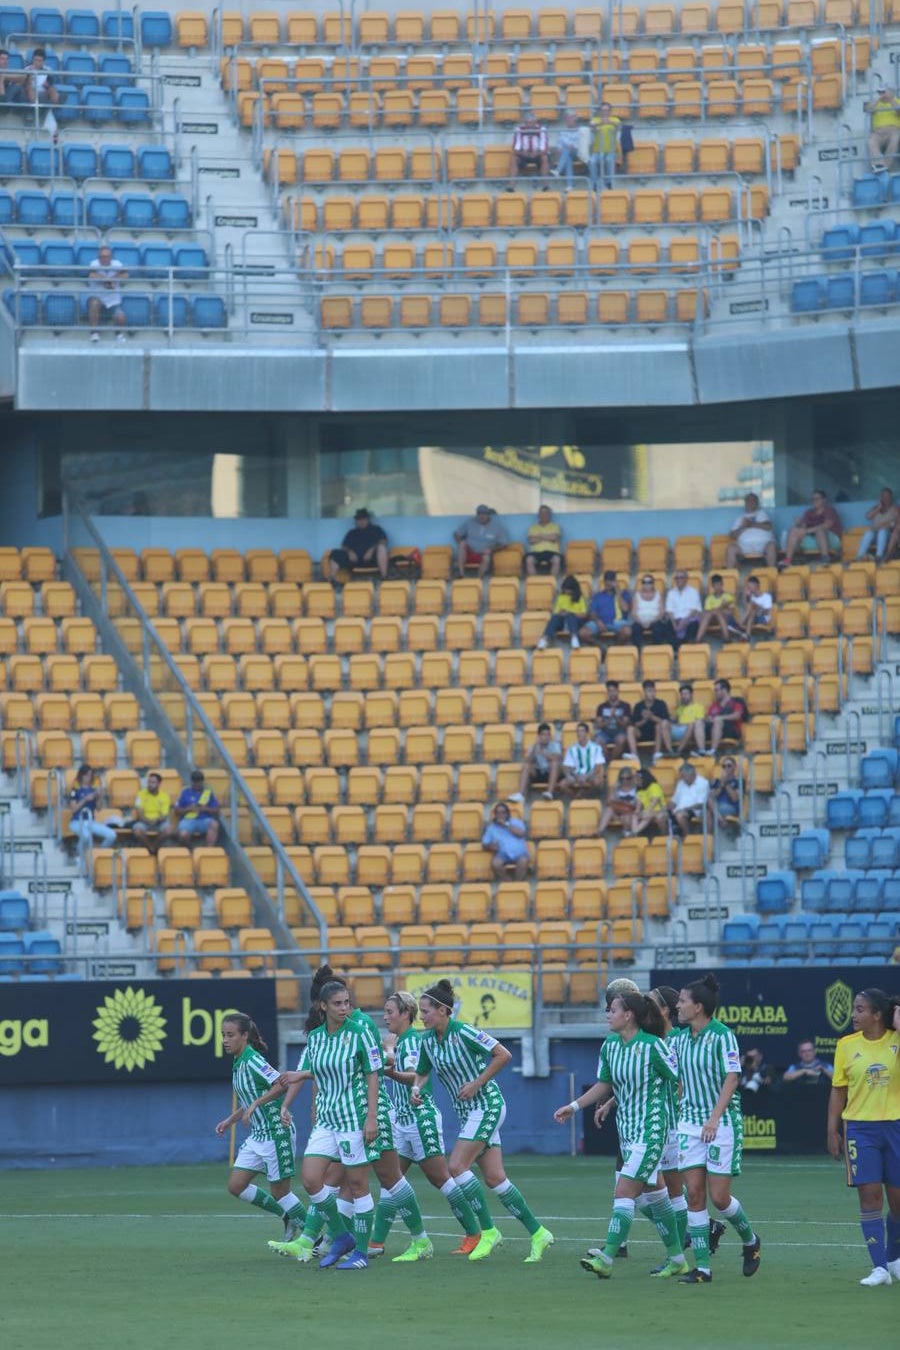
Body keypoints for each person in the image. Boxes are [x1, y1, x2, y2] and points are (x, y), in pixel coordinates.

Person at [413, 977, 554, 1263]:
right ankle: (539, 1233)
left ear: (443, 1010)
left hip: (487, 1105)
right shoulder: (427, 1041)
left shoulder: (465, 1031)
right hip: (468, 1113)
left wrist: (477, 1083)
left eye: (426, 1011)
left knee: (456, 1165)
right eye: (420, 1012)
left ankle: (488, 1231)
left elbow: (502, 1054)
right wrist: (416, 1088)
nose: (422, 1016)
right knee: (495, 1178)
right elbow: (423, 1072)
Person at [556, 991, 688, 1280]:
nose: (607, 1014)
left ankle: (608, 1256)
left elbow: (679, 1081)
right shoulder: (610, 1046)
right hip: (627, 1131)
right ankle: (678, 1258)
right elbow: (605, 1083)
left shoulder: (654, 1046)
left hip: (652, 1130)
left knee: (624, 1192)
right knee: (656, 1196)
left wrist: (678, 1114)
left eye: (612, 1009)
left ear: (629, 1015)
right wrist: (574, 1106)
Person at [260, 978, 383, 1270]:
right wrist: (298, 1075)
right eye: (338, 1004)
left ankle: (361, 1254)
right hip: (328, 1119)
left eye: (347, 1002)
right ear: (323, 1006)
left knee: (357, 1184)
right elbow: (315, 1069)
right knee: (311, 1178)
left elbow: (373, 1074)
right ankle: (341, 1235)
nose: (344, 1008)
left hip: (354, 1117)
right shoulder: (315, 1037)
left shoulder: (360, 1032)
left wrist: (372, 1117)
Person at [370, 991, 483, 1258]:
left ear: (406, 1014)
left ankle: (475, 1233)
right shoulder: (399, 1042)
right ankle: (376, 1243)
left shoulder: (411, 1042)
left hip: (421, 1119)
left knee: (441, 1178)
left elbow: (414, 1077)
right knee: (391, 1180)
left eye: (391, 1012)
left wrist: (388, 1060)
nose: (386, 1017)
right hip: (402, 1121)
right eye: (384, 1012)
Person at [674, 973, 761, 1283]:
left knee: (720, 1198)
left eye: (683, 1001)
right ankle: (702, 1268)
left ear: (698, 1007)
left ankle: (751, 1241)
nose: (678, 1006)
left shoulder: (723, 1035)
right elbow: (674, 1075)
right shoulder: (678, 1038)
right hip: (688, 1126)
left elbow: (732, 1077)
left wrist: (713, 1118)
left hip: (719, 1124)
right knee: (694, 1196)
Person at [827, 990, 900, 1286]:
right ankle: (879, 1267)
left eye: (860, 1010)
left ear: (878, 1015)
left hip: (895, 1127)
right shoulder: (846, 1045)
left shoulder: (896, 1041)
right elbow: (838, 1089)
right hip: (860, 1128)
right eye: (854, 1009)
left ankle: (894, 1259)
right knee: (870, 1196)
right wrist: (832, 1128)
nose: (853, 1015)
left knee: (897, 1202)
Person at [215, 1012, 307, 1243]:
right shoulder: (238, 1061)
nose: (225, 1040)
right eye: (223, 1035)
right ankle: (286, 1217)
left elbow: (281, 1084)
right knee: (236, 1185)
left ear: (244, 1036)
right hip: (259, 1136)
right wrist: (230, 1120)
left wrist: (256, 1104)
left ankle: (313, 1239)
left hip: (276, 1132)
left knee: (280, 1191)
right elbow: (250, 1099)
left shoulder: (253, 1060)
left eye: (230, 1035)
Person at [781, 489, 843, 568]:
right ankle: (788, 560)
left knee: (820, 530)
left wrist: (807, 531)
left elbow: (826, 525)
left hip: (831, 539)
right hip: (813, 539)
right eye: (813, 499)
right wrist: (798, 525)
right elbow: (803, 528)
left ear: (824, 499)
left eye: (817, 499)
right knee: (793, 530)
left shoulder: (830, 510)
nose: (815, 501)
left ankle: (825, 558)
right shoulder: (809, 512)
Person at [68, 764, 123, 850]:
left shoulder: (94, 790)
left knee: (111, 835)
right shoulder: (75, 790)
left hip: (91, 821)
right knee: (86, 836)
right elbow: (73, 809)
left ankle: (99, 852)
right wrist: (85, 799)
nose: (88, 777)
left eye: (90, 775)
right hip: (77, 821)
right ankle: (79, 854)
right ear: (81, 776)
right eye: (86, 775)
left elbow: (98, 808)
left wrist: (100, 796)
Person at [329, 507, 388, 582]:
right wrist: (350, 552)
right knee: (335, 553)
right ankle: (332, 579)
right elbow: (344, 546)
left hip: (371, 560)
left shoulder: (376, 529)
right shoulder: (352, 533)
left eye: (363, 519)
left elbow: (383, 541)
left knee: (382, 548)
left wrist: (371, 550)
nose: (361, 521)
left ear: (368, 519)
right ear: (356, 521)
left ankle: (384, 577)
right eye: (359, 519)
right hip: (354, 560)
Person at [511, 721, 562, 802]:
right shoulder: (534, 746)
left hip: (552, 773)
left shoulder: (555, 745)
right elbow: (527, 760)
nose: (546, 737)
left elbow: (557, 758)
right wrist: (534, 750)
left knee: (554, 763)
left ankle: (549, 793)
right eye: (543, 734)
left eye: (548, 734)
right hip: (540, 772)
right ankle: (521, 794)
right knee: (526, 765)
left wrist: (544, 753)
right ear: (539, 736)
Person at [725, 491, 777, 570]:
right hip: (744, 547)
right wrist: (743, 527)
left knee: (772, 546)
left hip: (764, 545)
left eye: (753, 500)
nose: (750, 502)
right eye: (748, 500)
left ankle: (771, 572)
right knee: (731, 548)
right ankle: (730, 575)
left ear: (757, 503)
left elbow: (768, 526)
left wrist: (751, 524)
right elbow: (732, 535)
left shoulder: (762, 513)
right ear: (745, 503)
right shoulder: (740, 518)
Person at [579, 570, 633, 645]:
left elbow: (625, 609)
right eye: (607, 581)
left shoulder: (624, 593)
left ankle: (614, 648)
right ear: (604, 582)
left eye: (611, 581)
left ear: (615, 581)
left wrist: (618, 592)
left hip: (617, 622)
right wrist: (598, 621)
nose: (609, 583)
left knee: (627, 631)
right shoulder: (598, 596)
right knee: (583, 633)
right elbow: (592, 613)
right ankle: (601, 648)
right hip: (600, 622)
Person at [87, 244, 128, 343]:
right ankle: (94, 333)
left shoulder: (117, 264)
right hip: (97, 298)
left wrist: (113, 279)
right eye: (102, 257)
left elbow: (126, 274)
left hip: (113, 301)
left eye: (107, 256)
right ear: (99, 257)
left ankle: (119, 334)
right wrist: (105, 280)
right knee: (94, 303)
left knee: (121, 316)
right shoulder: (94, 264)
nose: (104, 259)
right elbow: (92, 274)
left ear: (111, 257)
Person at [454, 504, 508, 578]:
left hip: (484, 553)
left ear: (488, 514)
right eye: (479, 514)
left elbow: (504, 544)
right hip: (469, 551)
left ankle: (479, 579)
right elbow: (457, 534)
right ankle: (461, 574)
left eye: (484, 514)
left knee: (486, 557)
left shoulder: (497, 527)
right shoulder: (470, 522)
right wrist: (461, 543)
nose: (482, 516)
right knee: (462, 544)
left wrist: (491, 550)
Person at [626, 679, 673, 761]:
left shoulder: (661, 704)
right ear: (644, 692)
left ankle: (657, 753)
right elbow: (634, 724)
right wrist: (644, 719)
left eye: (653, 691)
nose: (652, 693)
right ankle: (634, 755)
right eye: (649, 691)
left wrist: (652, 717)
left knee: (658, 726)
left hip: (656, 733)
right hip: (641, 733)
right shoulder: (638, 706)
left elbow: (666, 722)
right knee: (630, 729)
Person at [481, 801, 530, 880]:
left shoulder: (516, 822)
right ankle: (508, 883)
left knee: (523, 861)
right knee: (495, 863)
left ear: (507, 813)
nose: (500, 815)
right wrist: (490, 846)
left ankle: (518, 884)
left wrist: (505, 824)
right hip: (502, 854)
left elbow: (521, 833)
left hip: (520, 853)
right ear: (495, 815)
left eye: (503, 812)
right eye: (498, 813)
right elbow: (484, 844)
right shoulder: (491, 828)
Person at [536, 574, 586, 650]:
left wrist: (570, 612)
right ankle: (544, 639)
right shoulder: (561, 597)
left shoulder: (580, 599)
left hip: (575, 622)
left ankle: (574, 637)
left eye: (568, 589)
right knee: (555, 617)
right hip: (562, 621)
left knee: (571, 616)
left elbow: (583, 615)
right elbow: (556, 612)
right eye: (565, 589)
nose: (566, 591)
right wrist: (562, 613)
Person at [172, 768, 220, 846]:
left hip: (203, 820)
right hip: (188, 820)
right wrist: (188, 809)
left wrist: (205, 809)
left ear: (202, 781)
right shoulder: (185, 792)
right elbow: (176, 811)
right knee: (184, 834)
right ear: (192, 781)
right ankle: (186, 850)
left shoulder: (208, 793)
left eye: (199, 781)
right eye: (195, 781)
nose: (197, 783)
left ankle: (209, 850)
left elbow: (216, 810)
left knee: (214, 824)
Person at [560, 721, 606, 796]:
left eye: (582, 731)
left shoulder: (596, 747)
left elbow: (598, 767)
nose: (579, 733)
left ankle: (584, 795)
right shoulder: (571, 748)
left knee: (597, 782)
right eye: (578, 731)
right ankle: (576, 797)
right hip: (576, 775)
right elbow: (568, 766)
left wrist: (587, 776)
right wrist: (575, 775)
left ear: (587, 733)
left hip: (591, 774)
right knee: (562, 785)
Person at [131, 770, 172, 854]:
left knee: (168, 830)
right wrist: (147, 820)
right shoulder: (140, 794)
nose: (150, 785)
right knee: (137, 831)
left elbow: (164, 815)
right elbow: (140, 812)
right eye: (149, 782)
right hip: (144, 821)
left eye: (153, 782)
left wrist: (156, 820)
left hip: (159, 822)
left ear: (159, 784)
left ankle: (155, 845)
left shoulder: (165, 796)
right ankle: (150, 847)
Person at [704, 678, 748, 756]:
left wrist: (721, 718)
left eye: (717, 690)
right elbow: (709, 718)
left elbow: (737, 715)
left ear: (724, 690)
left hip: (732, 730)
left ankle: (713, 750)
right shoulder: (713, 706)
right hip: (714, 729)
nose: (715, 693)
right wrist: (709, 719)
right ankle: (701, 750)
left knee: (718, 721)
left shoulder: (736, 702)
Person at [594, 680, 633, 763]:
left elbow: (624, 725)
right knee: (597, 740)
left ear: (618, 691)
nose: (612, 693)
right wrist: (609, 718)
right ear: (607, 692)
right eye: (610, 691)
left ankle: (611, 761)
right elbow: (599, 725)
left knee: (621, 739)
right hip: (605, 732)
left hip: (619, 731)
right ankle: (607, 758)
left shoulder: (625, 706)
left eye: (614, 691)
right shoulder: (601, 707)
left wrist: (615, 717)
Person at [631, 572, 673, 648]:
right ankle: (637, 651)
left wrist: (651, 621)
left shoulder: (658, 595)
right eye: (644, 582)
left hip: (655, 620)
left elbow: (661, 612)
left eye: (649, 582)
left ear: (653, 583)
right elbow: (633, 613)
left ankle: (656, 649)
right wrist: (641, 622)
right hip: (640, 621)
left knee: (657, 628)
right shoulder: (636, 595)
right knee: (635, 628)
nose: (647, 584)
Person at [856, 488, 897, 563]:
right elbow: (868, 517)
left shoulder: (895, 509)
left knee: (882, 532)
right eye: (883, 496)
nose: (885, 498)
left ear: (891, 498)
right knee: (868, 533)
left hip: (888, 535)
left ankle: (879, 556)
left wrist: (884, 525)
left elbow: (895, 524)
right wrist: (878, 508)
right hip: (875, 534)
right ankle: (859, 556)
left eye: (887, 496)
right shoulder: (876, 508)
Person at [669, 762, 710, 837]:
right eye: (681, 776)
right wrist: (670, 808)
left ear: (692, 774)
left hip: (694, 810)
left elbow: (701, 804)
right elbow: (674, 801)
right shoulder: (681, 783)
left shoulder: (703, 783)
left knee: (680, 816)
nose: (682, 778)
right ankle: (668, 840)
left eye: (684, 776)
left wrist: (685, 809)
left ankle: (688, 837)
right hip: (678, 810)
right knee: (661, 816)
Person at [665, 569, 703, 648]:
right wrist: (675, 624)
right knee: (668, 626)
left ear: (686, 579)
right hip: (675, 620)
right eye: (677, 578)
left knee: (693, 626)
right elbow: (669, 611)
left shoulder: (693, 592)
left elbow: (695, 610)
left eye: (681, 577)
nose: (678, 580)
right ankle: (675, 650)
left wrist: (684, 622)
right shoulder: (671, 593)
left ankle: (686, 648)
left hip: (689, 620)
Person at [865, 89, 900, 171]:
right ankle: (879, 164)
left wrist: (891, 100)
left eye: (884, 92)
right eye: (880, 92)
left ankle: (886, 166)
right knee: (871, 141)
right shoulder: (875, 103)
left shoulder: (897, 101)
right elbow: (867, 109)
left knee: (895, 139)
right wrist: (879, 99)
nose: (883, 94)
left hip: (893, 130)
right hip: (878, 132)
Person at [695, 573, 736, 644]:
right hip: (713, 619)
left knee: (718, 614)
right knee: (709, 615)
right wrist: (722, 607)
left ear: (722, 584)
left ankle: (727, 638)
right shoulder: (709, 598)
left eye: (719, 585)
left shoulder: (729, 596)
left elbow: (730, 612)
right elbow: (707, 613)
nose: (717, 587)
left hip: (726, 618)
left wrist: (718, 610)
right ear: (712, 586)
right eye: (715, 585)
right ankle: (698, 640)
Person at [598, 765, 638, 836]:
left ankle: (627, 833)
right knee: (609, 809)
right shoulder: (616, 787)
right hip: (618, 812)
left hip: (630, 812)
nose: (624, 780)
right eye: (622, 778)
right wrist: (614, 790)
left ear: (631, 778)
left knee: (627, 815)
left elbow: (638, 804)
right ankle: (600, 832)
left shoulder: (636, 788)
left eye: (627, 778)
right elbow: (609, 802)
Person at [731, 574, 774, 639]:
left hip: (763, 618)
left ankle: (739, 626)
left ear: (757, 586)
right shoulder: (751, 597)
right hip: (752, 617)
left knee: (752, 608)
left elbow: (767, 612)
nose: (749, 589)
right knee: (752, 610)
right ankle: (747, 635)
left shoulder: (766, 596)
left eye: (750, 587)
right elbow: (747, 608)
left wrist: (757, 607)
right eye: (748, 587)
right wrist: (746, 596)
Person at [671, 681, 708, 756]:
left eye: (686, 694)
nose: (684, 696)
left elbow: (699, 721)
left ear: (691, 695)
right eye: (682, 694)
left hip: (691, 730)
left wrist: (683, 724)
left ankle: (678, 751)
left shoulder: (698, 706)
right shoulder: (679, 708)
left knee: (692, 724)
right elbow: (675, 721)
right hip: (679, 730)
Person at [525, 504, 563, 576]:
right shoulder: (533, 527)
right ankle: (534, 582)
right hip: (536, 553)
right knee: (529, 560)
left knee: (557, 560)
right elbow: (531, 540)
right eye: (542, 513)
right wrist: (547, 537)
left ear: (549, 515)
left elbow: (554, 538)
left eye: (546, 513)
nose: (544, 515)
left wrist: (539, 536)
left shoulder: (555, 526)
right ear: (539, 515)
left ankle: (552, 582)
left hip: (552, 552)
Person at [588, 102, 619, 189]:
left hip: (611, 150)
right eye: (602, 110)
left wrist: (609, 122)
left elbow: (619, 126)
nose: (604, 112)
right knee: (592, 161)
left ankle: (609, 183)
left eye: (606, 110)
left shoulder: (615, 119)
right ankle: (594, 184)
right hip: (597, 150)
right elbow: (591, 126)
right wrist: (601, 123)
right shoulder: (595, 119)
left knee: (609, 160)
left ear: (610, 111)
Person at [707, 755, 741, 833]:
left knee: (709, 812)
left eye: (729, 766)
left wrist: (726, 784)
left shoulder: (739, 781)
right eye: (724, 766)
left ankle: (710, 836)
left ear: (734, 767)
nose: (726, 768)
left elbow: (735, 798)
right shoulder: (716, 781)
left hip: (730, 807)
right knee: (708, 811)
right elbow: (712, 796)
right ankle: (721, 821)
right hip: (716, 807)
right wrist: (721, 784)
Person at [632, 768, 670, 837]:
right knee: (635, 815)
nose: (636, 781)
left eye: (638, 779)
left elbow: (654, 802)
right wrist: (637, 811)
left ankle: (664, 836)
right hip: (648, 812)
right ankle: (634, 833)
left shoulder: (654, 786)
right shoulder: (639, 790)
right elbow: (638, 805)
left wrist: (645, 812)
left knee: (648, 816)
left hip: (660, 810)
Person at [552, 112, 582, 187]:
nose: (568, 121)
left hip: (579, 153)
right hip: (566, 154)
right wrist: (560, 150)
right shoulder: (562, 132)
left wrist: (573, 146)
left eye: (570, 119)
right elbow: (559, 146)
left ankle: (558, 170)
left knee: (567, 149)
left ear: (575, 119)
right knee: (567, 157)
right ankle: (569, 185)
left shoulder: (581, 130)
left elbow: (583, 144)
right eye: (567, 119)